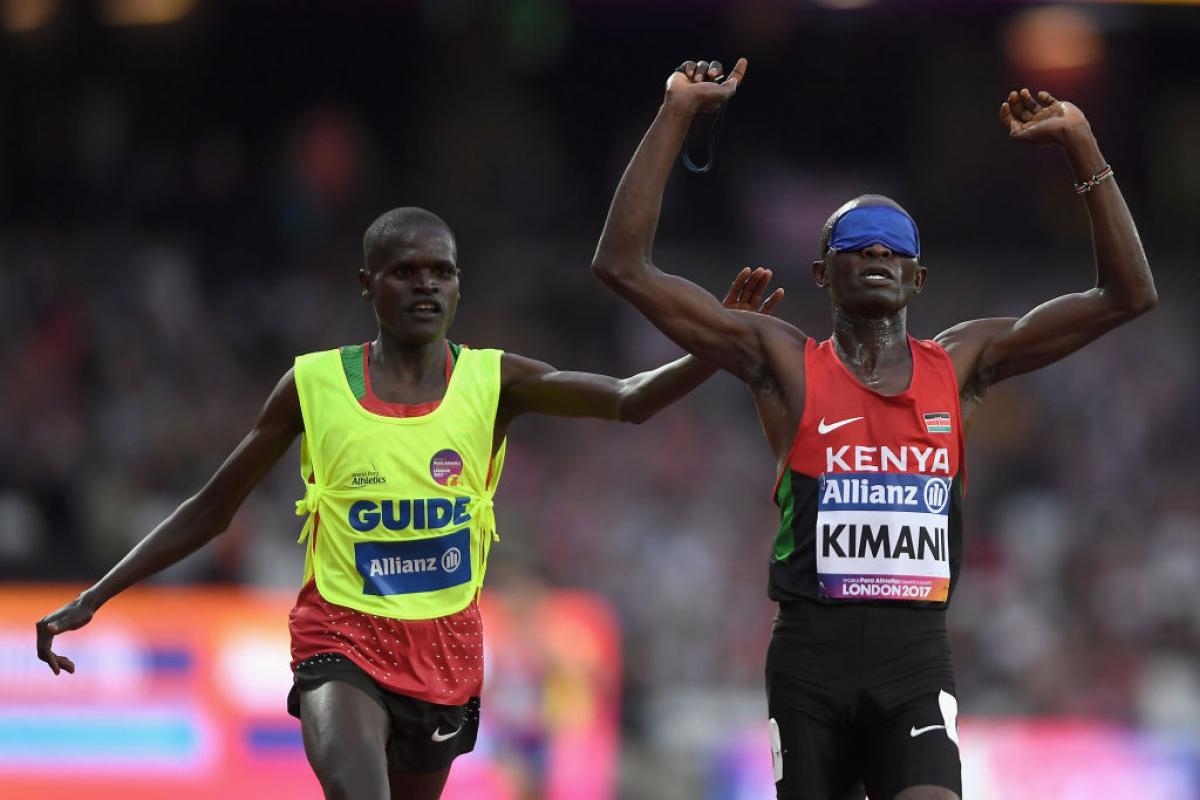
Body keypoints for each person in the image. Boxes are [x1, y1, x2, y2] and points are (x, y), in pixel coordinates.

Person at [34, 205, 783, 800]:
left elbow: (629, 400)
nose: (426, 284)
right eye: (406, 271)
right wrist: (97, 596)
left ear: (460, 287)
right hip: (341, 639)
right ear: (368, 285)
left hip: (445, 653)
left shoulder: (496, 382)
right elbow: (213, 505)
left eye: (442, 272)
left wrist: (711, 344)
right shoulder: (314, 385)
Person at [590, 59, 1156, 800]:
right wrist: (676, 113)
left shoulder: (962, 365)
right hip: (809, 665)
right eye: (860, 243)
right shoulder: (782, 364)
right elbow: (622, 266)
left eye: (896, 247)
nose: (880, 253)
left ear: (918, 278)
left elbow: (1127, 294)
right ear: (824, 272)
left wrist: (1081, 142)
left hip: (915, 661)